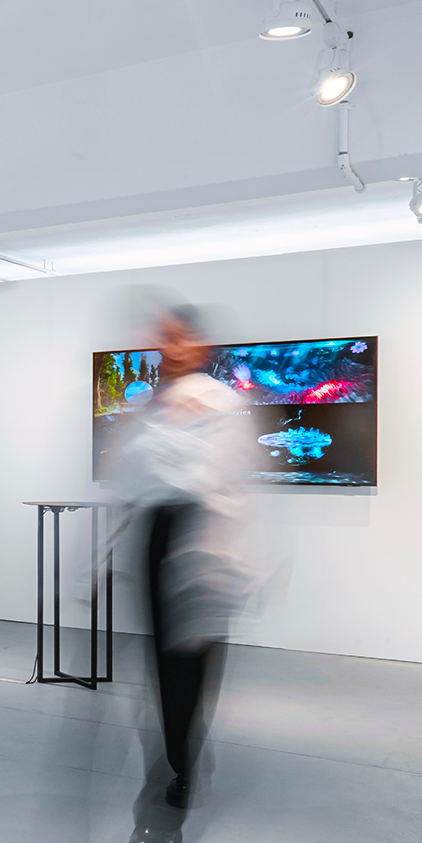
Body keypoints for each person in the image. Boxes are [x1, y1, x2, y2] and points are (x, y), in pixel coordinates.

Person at [111, 305, 253, 812]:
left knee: (190, 662)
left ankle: (185, 767)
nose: (170, 347)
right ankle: (179, 758)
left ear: (201, 345)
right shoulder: (150, 407)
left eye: (180, 337)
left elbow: (218, 479)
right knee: (163, 660)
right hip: (155, 538)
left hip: (200, 539)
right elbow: (132, 482)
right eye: (163, 337)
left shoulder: (220, 402)